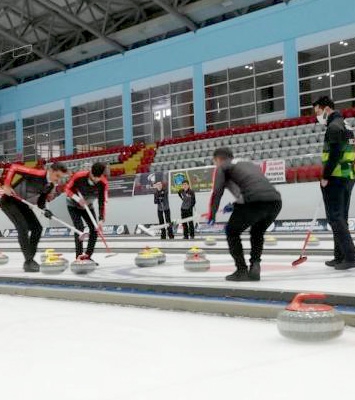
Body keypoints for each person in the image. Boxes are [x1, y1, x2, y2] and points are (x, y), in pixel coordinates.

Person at [207, 148, 282, 281]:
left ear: (218, 159)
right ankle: (255, 266)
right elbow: (253, 185)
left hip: (253, 201)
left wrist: (211, 214)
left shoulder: (222, 167)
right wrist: (234, 205)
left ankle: (241, 270)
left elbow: (217, 192)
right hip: (275, 201)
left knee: (232, 231)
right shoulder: (248, 163)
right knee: (257, 232)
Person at [0, 162, 68, 272]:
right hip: (9, 201)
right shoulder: (38, 173)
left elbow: (41, 202)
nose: (58, 180)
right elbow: (14, 167)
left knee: (37, 228)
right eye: (57, 176)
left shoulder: (49, 185)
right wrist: (7, 185)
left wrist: (45, 210)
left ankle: (29, 259)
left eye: (61, 178)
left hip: (22, 204)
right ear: (50, 171)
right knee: (23, 227)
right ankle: (29, 261)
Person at [313, 96, 355, 270]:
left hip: (336, 178)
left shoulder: (333, 127)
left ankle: (351, 256)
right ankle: (340, 256)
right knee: (341, 218)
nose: (317, 115)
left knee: (335, 218)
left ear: (326, 109)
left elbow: (335, 154)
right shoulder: (346, 125)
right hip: (347, 176)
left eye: (317, 111)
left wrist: (325, 176)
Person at [65, 162, 108, 264]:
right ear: (90, 172)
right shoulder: (79, 176)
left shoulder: (103, 183)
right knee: (79, 228)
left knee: (94, 229)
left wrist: (101, 219)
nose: (96, 179)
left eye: (99, 177)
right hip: (73, 205)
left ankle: (88, 256)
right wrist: (77, 198)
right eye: (94, 176)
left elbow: (102, 201)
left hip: (88, 206)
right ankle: (78, 257)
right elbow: (67, 189)